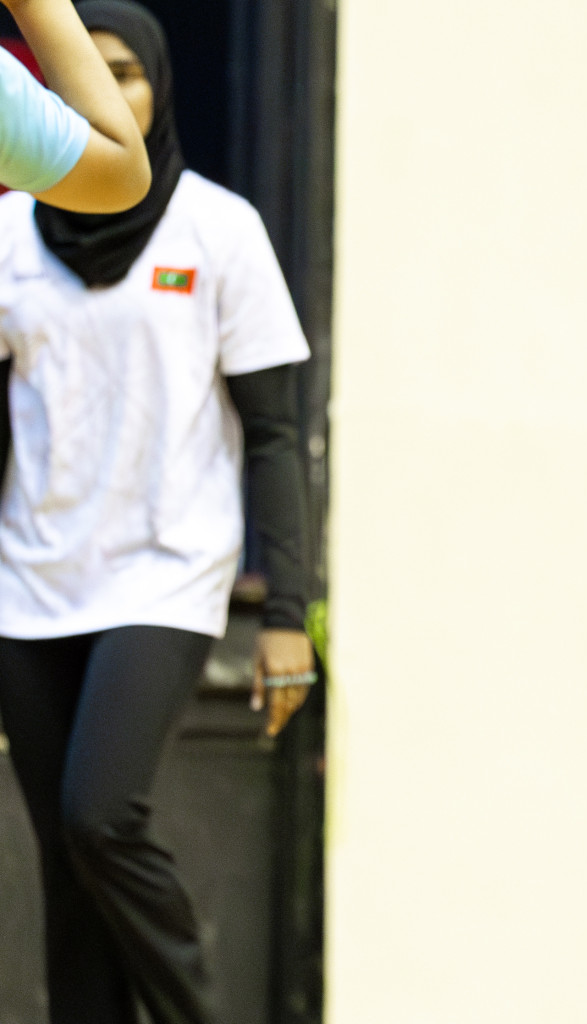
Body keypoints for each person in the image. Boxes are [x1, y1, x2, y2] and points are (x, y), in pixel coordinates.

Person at [0, 3, 313, 1021]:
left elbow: (273, 431)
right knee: (63, 854)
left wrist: (284, 618)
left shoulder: (220, 227)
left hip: (166, 574)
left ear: (159, 90)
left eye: (126, 75)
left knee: (101, 815)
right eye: (87, 77)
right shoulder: (8, 228)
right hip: (31, 577)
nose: (108, 95)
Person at [0, 0, 149, 211]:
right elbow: (122, 178)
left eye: (122, 75)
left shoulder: (206, 216)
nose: (110, 95)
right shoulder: (8, 218)